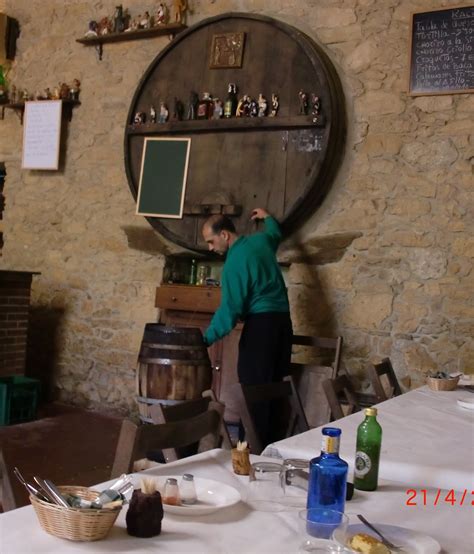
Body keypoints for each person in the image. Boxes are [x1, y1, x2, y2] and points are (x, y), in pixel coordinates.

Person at [202, 209, 293, 445]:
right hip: (283, 326)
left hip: (261, 328)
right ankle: (274, 449)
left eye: (211, 242)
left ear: (224, 235)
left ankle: (250, 453)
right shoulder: (261, 241)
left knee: (253, 392)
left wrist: (205, 339)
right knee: (274, 391)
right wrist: (268, 217)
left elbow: (230, 310)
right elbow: (275, 233)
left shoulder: (233, 263)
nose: (210, 248)